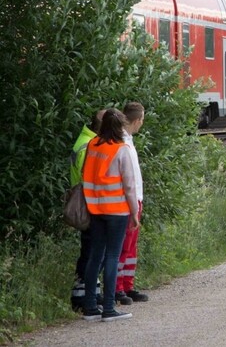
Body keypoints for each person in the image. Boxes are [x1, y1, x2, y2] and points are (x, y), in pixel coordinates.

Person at [81, 108, 140, 322]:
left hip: (95, 208)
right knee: (113, 256)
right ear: (120, 126)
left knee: (95, 256)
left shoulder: (92, 145)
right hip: (116, 210)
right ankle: (108, 307)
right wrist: (134, 212)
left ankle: (90, 307)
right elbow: (129, 186)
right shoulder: (121, 149)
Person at [70, 109, 105, 312]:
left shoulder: (88, 141)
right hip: (88, 204)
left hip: (87, 202)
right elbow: (90, 178)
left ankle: (91, 292)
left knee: (93, 250)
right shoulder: (88, 145)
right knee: (91, 251)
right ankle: (82, 297)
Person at [115, 102, 148, 305]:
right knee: (123, 247)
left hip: (136, 199)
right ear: (136, 120)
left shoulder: (128, 140)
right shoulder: (121, 142)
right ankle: (118, 287)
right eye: (142, 120)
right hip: (128, 201)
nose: (142, 124)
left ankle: (127, 285)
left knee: (131, 248)